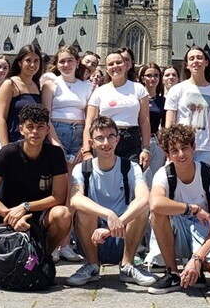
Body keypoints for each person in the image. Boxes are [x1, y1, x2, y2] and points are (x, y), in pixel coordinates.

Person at [0, 104, 71, 257]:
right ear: (21, 129)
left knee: (63, 214)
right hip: (6, 212)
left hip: (40, 214)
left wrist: (26, 207)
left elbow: (59, 196)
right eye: (30, 127)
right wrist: (10, 216)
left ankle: (43, 257)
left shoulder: (55, 154)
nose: (35, 131)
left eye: (40, 127)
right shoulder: (8, 152)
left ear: (48, 130)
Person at [66, 116, 157, 287]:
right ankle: (92, 265)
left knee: (141, 209)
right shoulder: (82, 169)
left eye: (110, 137)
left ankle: (127, 265)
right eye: (100, 138)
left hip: (121, 234)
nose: (106, 143)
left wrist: (114, 225)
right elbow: (75, 199)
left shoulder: (130, 167)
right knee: (84, 210)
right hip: (92, 237)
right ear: (91, 142)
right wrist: (108, 214)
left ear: (118, 140)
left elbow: (145, 198)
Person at [147, 123, 210, 294]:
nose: (181, 155)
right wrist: (192, 208)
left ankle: (196, 267)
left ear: (194, 148)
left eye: (185, 148)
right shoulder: (164, 174)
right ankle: (172, 273)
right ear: (168, 155)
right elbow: (155, 203)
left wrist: (197, 258)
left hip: (205, 229)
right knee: (157, 212)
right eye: (174, 151)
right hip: (176, 229)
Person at [41, 45, 93, 262]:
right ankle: (52, 243)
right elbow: (46, 114)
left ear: (76, 62)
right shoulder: (51, 83)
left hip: (79, 134)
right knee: (58, 191)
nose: (66, 65)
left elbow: (88, 117)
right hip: (58, 133)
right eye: (62, 61)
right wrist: (55, 144)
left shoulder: (86, 85)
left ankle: (65, 244)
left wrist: (85, 146)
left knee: (73, 192)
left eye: (70, 61)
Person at [85, 52, 150, 169]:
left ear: (125, 65)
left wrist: (146, 148)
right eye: (111, 64)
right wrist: (87, 151)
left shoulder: (139, 89)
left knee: (132, 178)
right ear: (106, 68)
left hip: (131, 139)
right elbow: (89, 123)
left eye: (119, 62)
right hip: (105, 139)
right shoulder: (99, 91)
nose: (115, 66)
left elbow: (144, 121)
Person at [165, 47, 210, 167]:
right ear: (187, 65)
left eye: (200, 58)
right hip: (181, 147)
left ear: (206, 63)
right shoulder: (177, 89)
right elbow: (169, 124)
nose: (196, 61)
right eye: (192, 59)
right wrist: (170, 150)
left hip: (206, 149)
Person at [0, 45, 43, 146]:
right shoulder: (9, 84)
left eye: (36, 61)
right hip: (11, 142)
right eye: (28, 60)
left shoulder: (37, 86)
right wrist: (5, 148)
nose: (32, 64)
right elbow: (0, 118)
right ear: (20, 63)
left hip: (30, 144)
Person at [138, 63, 166, 178]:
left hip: (156, 141)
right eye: (149, 75)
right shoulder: (136, 98)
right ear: (142, 78)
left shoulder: (163, 101)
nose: (153, 78)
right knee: (140, 177)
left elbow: (165, 125)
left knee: (155, 177)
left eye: (156, 75)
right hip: (139, 140)